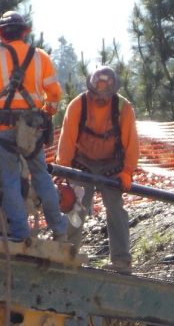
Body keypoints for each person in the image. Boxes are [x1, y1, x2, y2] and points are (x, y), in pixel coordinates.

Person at [0, 11, 69, 242]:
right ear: (25, 32)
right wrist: (48, 111)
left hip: (4, 127)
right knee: (41, 176)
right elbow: (54, 93)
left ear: (1, 34)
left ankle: (20, 234)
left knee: (10, 180)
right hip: (32, 127)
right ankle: (60, 230)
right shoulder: (40, 57)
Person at [55, 66, 140, 274]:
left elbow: (132, 142)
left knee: (115, 208)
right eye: (97, 92)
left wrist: (127, 171)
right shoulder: (78, 105)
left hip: (112, 165)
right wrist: (62, 171)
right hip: (82, 163)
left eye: (105, 93)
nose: (100, 97)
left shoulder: (123, 108)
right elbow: (66, 140)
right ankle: (67, 254)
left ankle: (121, 260)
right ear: (90, 89)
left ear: (113, 92)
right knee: (75, 206)